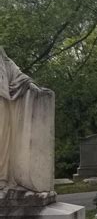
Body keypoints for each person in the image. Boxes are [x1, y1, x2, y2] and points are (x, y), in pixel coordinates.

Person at [0, 48, 54, 194]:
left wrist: (31, 85)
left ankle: (2, 179)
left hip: (2, 105)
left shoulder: (2, 57)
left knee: (3, 142)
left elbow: (16, 73)